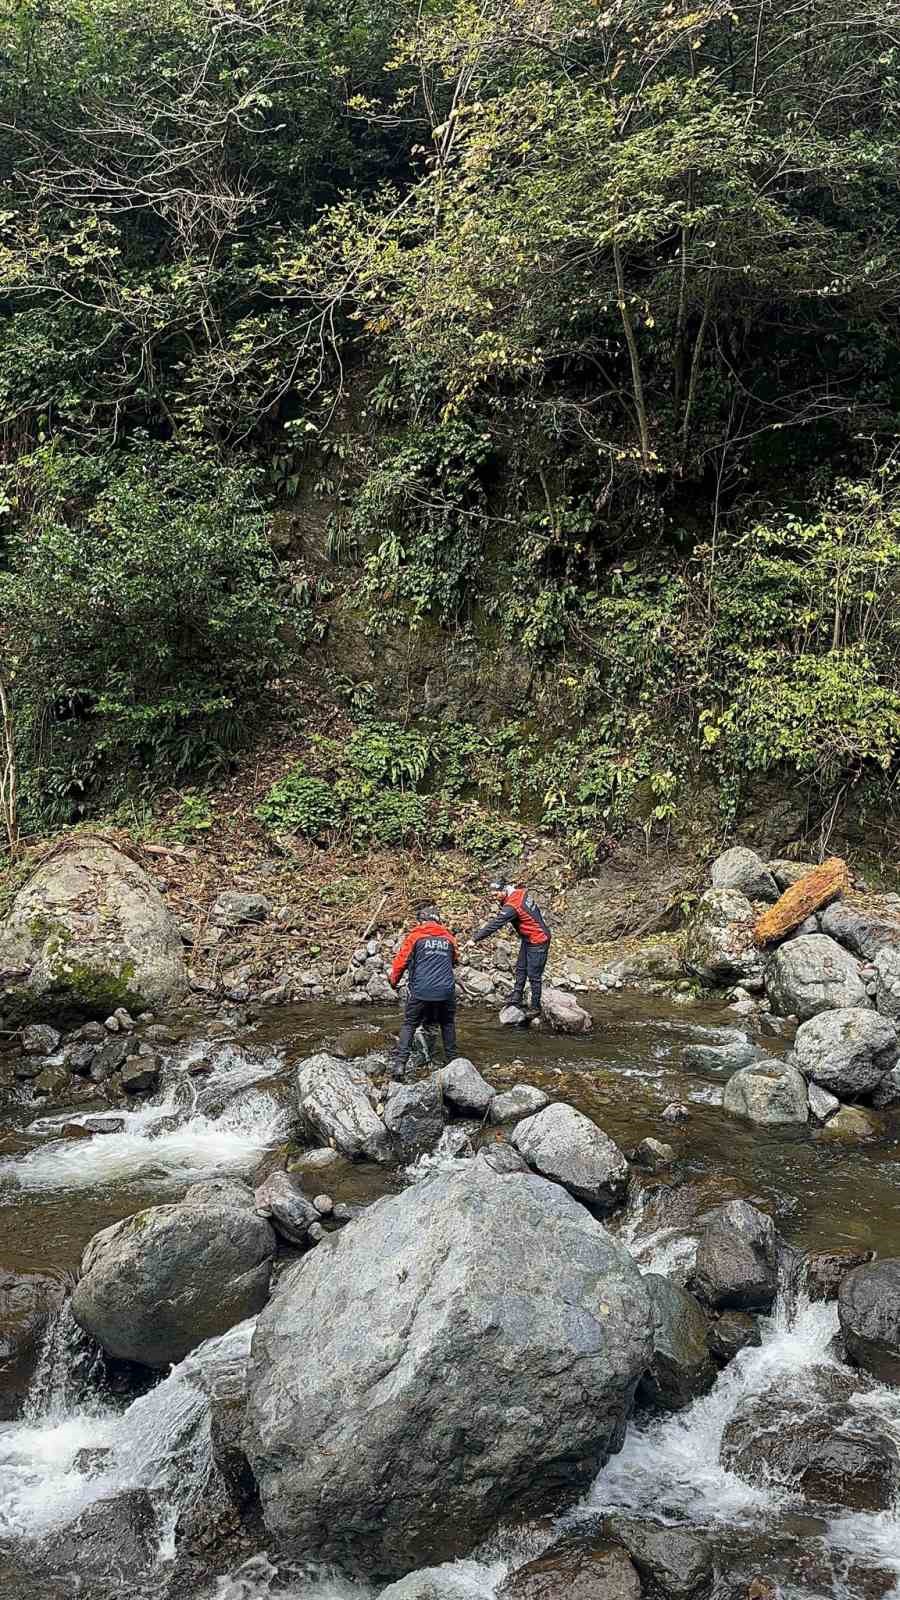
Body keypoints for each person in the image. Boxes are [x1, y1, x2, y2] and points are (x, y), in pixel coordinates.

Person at [389, 901, 459, 1078]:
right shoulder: (449, 938)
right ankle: (453, 1063)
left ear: (421, 921)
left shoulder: (415, 937)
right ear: (438, 921)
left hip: (420, 991)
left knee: (410, 1023)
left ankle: (400, 1066)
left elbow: (400, 963)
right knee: (447, 1023)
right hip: (446, 992)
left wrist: (393, 981)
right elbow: (454, 961)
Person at [471, 872, 550, 1015]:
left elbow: (495, 924)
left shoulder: (512, 906)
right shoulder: (519, 892)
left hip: (538, 939)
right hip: (528, 938)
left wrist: (474, 939)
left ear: (504, 890)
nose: (493, 897)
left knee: (534, 975)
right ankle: (516, 998)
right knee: (520, 968)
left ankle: (535, 1007)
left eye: (496, 894)